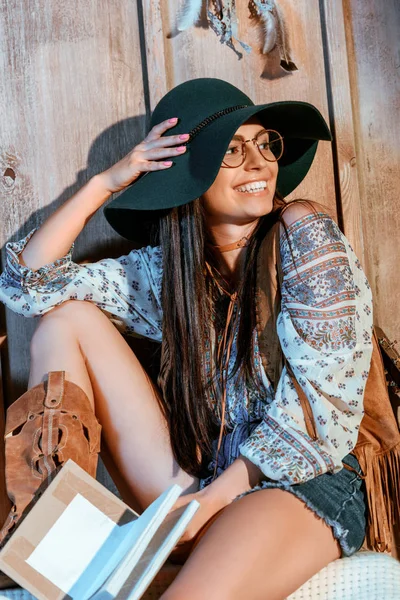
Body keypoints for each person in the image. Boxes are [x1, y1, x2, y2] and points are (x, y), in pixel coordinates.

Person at [0, 78, 373, 599]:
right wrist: (106, 182)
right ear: (184, 175)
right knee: (67, 318)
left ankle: (168, 569)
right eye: (233, 150)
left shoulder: (302, 232)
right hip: (200, 479)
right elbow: (27, 286)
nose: (260, 162)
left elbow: (321, 413)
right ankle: (56, 535)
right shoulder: (169, 276)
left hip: (297, 485)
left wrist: (206, 506)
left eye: (265, 143)